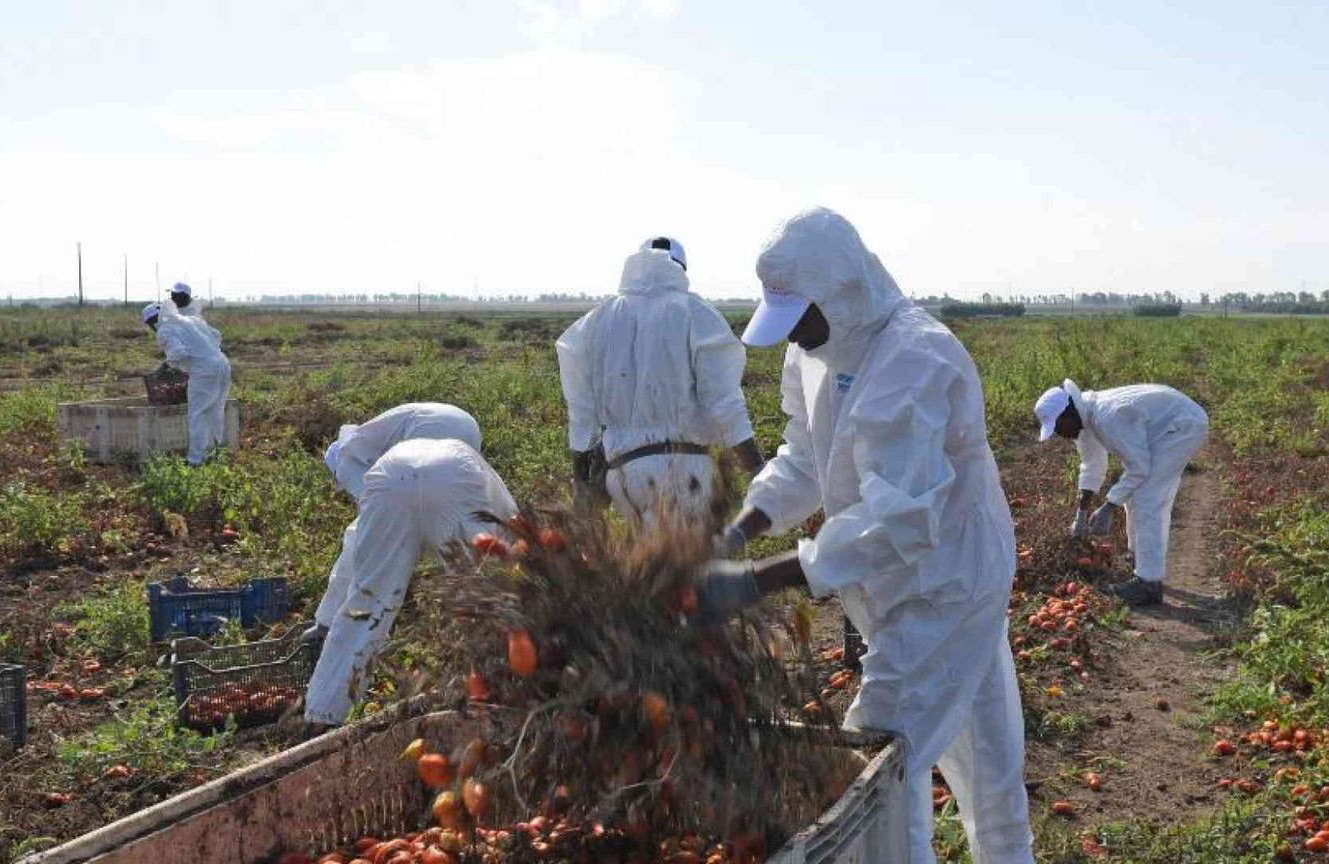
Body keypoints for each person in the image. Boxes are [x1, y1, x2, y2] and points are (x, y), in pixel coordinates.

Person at [698, 208, 1034, 864]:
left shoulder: (915, 358)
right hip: (907, 581)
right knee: (985, 757)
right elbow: (804, 455)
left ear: (843, 291)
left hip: (948, 580)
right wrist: (738, 533)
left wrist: (759, 580)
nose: (795, 332)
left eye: (803, 314)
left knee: (880, 758)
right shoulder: (815, 351)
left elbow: (900, 518)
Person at [304, 438, 517, 726]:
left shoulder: (385, 456)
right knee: (486, 601)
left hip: (391, 476)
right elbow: (509, 570)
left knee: (366, 603)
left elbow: (354, 558)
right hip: (457, 479)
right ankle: (499, 700)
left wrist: (327, 616)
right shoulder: (501, 503)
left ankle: (322, 715)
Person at [556, 237, 763, 527]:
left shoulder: (595, 321)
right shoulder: (694, 312)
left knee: (651, 565)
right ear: (681, 269)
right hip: (685, 471)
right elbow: (725, 403)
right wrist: (758, 469)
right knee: (695, 568)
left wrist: (581, 485)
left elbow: (580, 415)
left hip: (623, 475)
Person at [305, 403, 484, 641]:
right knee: (455, 520)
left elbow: (376, 517)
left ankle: (328, 625)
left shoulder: (346, 462)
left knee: (358, 538)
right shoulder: (370, 439)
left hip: (430, 433)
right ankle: (480, 610)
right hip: (467, 426)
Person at [1033, 379, 1209, 606]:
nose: (1059, 434)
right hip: (1169, 425)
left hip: (1182, 426)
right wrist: (1082, 514)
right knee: (1139, 495)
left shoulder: (1109, 417)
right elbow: (1092, 466)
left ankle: (1149, 584)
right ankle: (1139, 558)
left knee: (1147, 498)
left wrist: (1108, 506)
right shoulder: (1085, 420)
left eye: (1057, 427)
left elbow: (1139, 468)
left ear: (1068, 414)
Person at [142, 302, 232, 466]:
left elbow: (178, 353)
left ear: (152, 321)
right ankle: (215, 454)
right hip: (223, 363)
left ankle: (195, 460)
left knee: (197, 414)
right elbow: (216, 335)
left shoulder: (164, 329)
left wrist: (166, 366)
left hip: (205, 370)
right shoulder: (189, 320)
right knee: (215, 411)